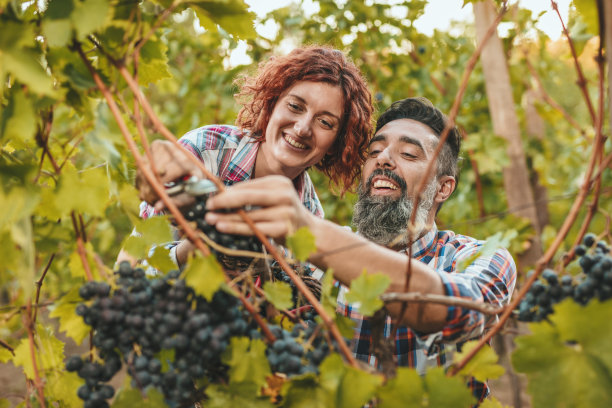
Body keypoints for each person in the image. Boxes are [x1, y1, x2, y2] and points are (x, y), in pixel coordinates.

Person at [199, 97, 517, 404]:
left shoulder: (476, 256)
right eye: (375, 151)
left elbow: (466, 312)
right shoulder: (310, 265)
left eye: (408, 154)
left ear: (444, 187)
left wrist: (310, 232)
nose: (383, 159)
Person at [129, 45, 373, 268]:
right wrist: (197, 248)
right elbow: (131, 264)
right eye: (295, 107)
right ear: (271, 103)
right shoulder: (205, 152)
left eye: (324, 122)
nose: (302, 128)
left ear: (334, 144)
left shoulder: (308, 214)